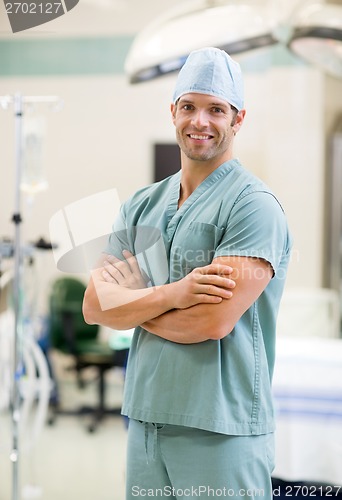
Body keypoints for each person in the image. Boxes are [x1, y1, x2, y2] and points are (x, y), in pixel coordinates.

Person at [83, 47, 292, 499]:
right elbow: (96, 305)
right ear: (172, 113)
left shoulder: (252, 206)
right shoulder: (141, 205)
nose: (201, 121)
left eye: (216, 109)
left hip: (220, 432)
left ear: (238, 119)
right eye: (189, 107)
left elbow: (212, 321)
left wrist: (134, 304)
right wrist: (176, 293)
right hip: (146, 424)